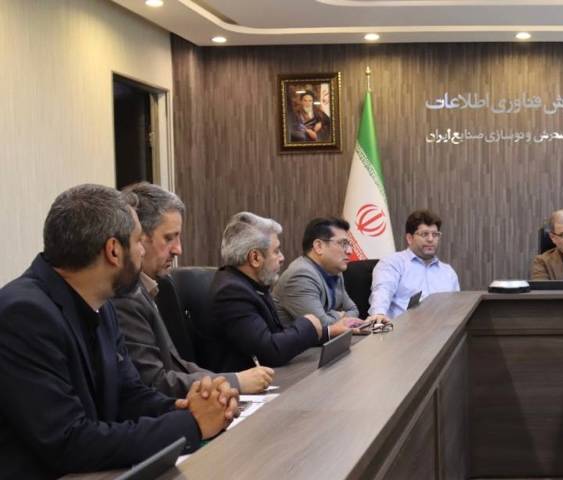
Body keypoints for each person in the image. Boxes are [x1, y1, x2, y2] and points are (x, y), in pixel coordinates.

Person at [0, 184, 236, 478]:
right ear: (113, 250)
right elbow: (68, 442)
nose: (141, 250)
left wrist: (189, 407)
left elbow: (128, 396)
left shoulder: (102, 303)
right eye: (138, 241)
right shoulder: (23, 314)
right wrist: (192, 424)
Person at [113, 183, 275, 396]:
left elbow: (178, 365)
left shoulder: (157, 286)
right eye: (169, 238)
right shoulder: (123, 296)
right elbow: (154, 381)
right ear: (139, 238)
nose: (178, 249)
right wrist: (233, 382)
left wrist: (225, 381)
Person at [208, 212, 347, 372]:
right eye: (276, 251)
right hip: (244, 383)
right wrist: (308, 324)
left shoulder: (253, 283)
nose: (282, 258)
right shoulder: (232, 292)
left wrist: (328, 332)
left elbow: (277, 334)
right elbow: (270, 352)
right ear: (255, 258)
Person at [368, 209, 460, 322]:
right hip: (403, 330)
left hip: (443, 330)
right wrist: (379, 313)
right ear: (409, 238)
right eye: (424, 234)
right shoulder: (393, 263)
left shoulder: (448, 272)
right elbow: (383, 291)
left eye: (435, 234)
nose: (431, 239)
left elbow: (456, 310)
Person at [273, 217, 363, 330]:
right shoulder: (300, 275)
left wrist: (331, 316)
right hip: (303, 342)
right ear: (319, 246)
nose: (349, 251)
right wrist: (338, 315)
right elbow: (323, 326)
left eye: (349, 245)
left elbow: (353, 310)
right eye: (343, 244)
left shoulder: (334, 271)